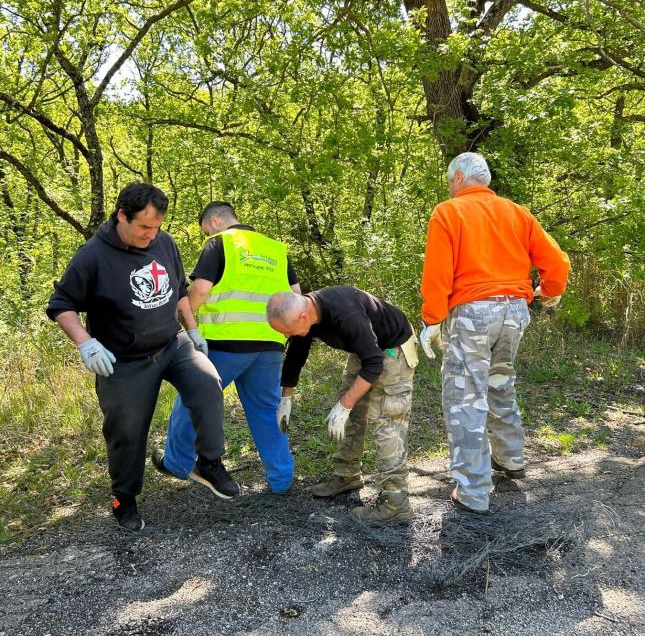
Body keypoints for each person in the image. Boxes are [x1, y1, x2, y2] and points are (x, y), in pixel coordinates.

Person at [46, 183, 239, 533]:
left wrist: (193, 331)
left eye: (157, 227)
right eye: (144, 227)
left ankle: (208, 462)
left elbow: (180, 291)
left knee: (208, 383)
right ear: (122, 215)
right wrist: (86, 343)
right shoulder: (93, 256)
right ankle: (124, 497)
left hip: (172, 343)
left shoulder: (163, 242)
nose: (151, 235)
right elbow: (62, 305)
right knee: (126, 430)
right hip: (123, 360)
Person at [420, 152, 571, 514]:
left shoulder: (449, 212)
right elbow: (557, 262)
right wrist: (549, 291)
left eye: (448, 178)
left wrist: (431, 320)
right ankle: (511, 458)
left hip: (473, 313)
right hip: (515, 312)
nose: (448, 184)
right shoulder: (516, 212)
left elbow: (438, 273)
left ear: (458, 176)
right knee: (500, 382)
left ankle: (472, 492)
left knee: (465, 395)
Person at [154, 201, 299, 493]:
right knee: (266, 410)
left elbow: (200, 290)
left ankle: (176, 462)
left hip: (224, 345)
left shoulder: (219, 244)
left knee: (194, 399)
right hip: (269, 344)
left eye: (206, 230)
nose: (207, 234)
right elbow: (296, 296)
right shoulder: (275, 249)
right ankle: (281, 481)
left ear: (216, 222)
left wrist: (185, 320)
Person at [266, 287, 419, 526]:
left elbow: (374, 363)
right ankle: (347, 476)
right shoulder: (306, 313)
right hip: (366, 348)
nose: (286, 336)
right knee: (350, 414)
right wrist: (286, 398)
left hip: (392, 348)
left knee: (387, 422)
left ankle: (395, 502)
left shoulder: (345, 313)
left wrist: (345, 405)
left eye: (287, 331)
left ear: (303, 317)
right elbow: (296, 353)